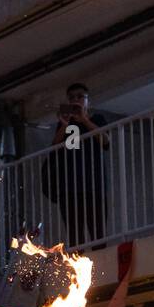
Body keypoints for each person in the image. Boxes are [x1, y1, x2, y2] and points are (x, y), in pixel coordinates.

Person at [44, 82, 109, 248]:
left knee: (98, 231)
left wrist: (84, 119)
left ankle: (101, 264)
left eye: (80, 96)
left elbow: (106, 142)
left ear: (88, 101)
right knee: (74, 234)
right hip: (69, 186)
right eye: (72, 97)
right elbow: (54, 149)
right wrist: (64, 124)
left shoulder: (96, 119)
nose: (76, 100)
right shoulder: (67, 124)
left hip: (93, 184)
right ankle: (78, 268)